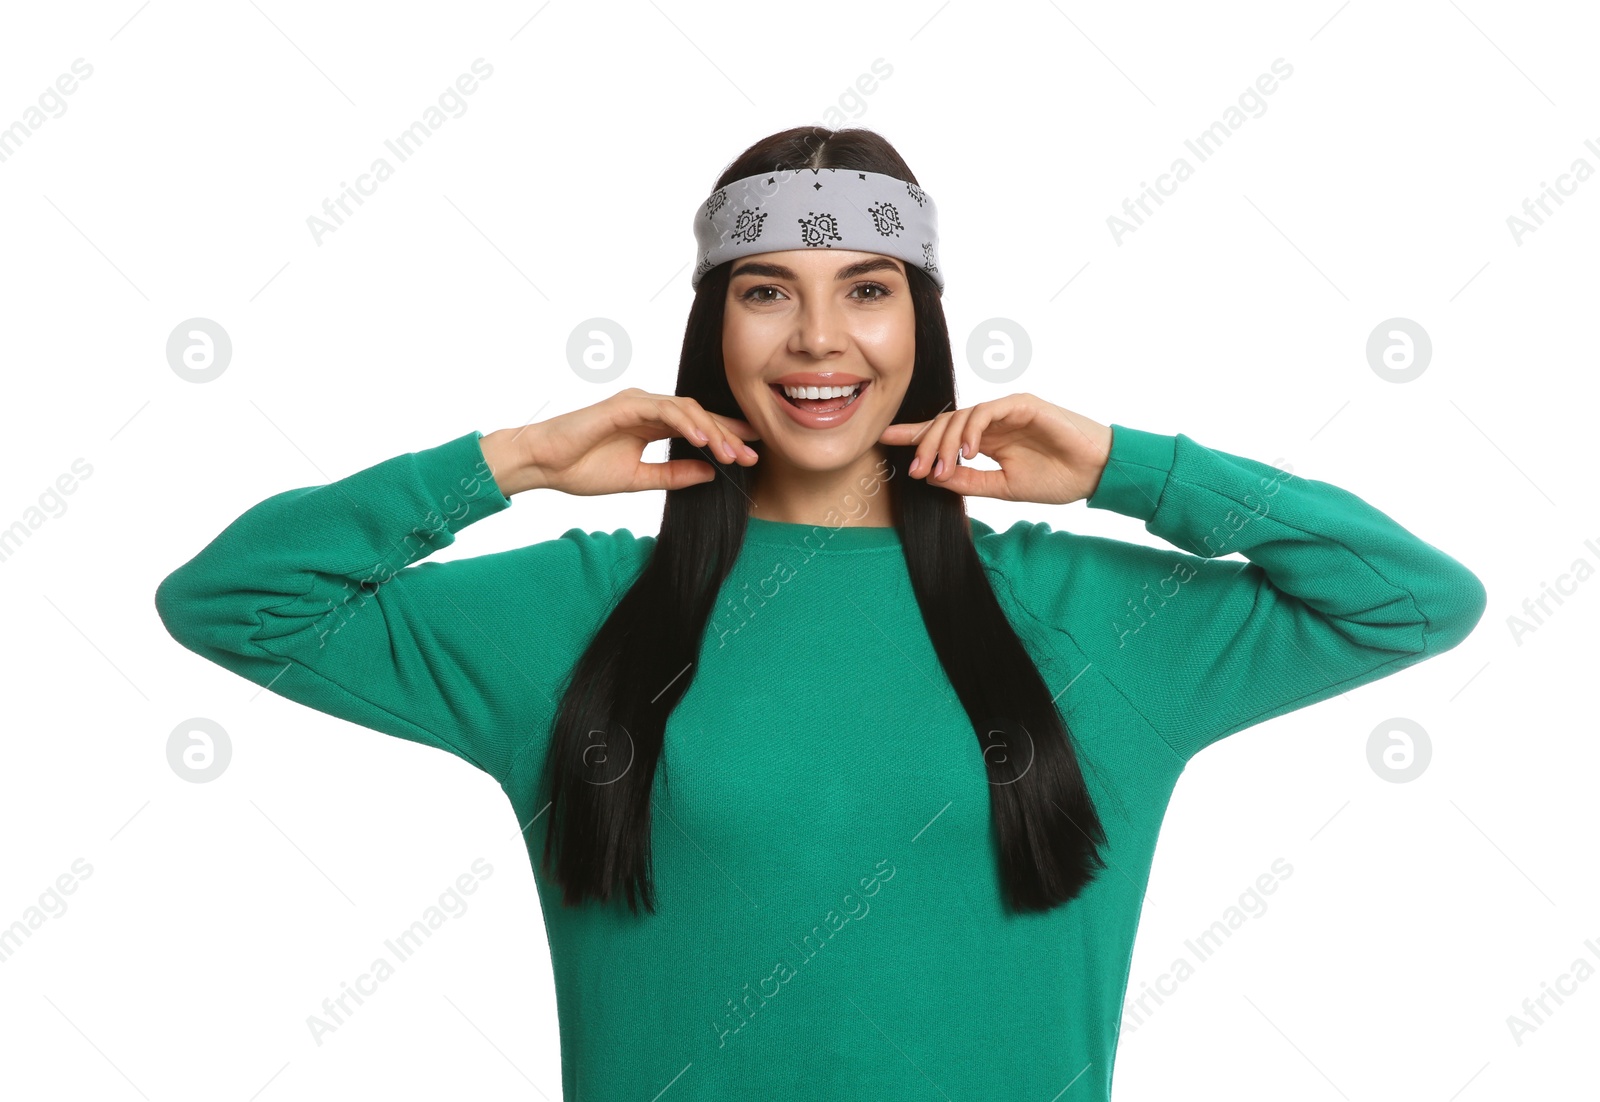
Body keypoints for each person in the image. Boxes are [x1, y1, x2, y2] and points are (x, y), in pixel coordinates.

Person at [154, 126, 1488, 1101]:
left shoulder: (1083, 612)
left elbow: (1414, 601)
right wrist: (520, 460)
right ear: (712, 330)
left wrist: (1130, 470)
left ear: (922, 325)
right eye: (765, 290)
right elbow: (231, 600)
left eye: (865, 287)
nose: (816, 338)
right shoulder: (578, 617)